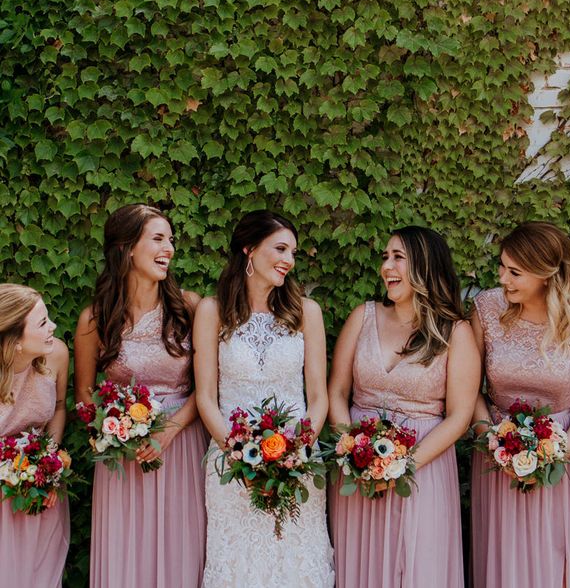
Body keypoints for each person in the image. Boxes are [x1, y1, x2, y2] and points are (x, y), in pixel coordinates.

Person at [328, 225, 481, 588]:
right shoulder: (361, 317)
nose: (386, 267)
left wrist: (401, 465)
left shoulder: (455, 333)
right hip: (358, 469)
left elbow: (459, 415)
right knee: (359, 566)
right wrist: (353, 449)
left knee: (417, 568)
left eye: (398, 257)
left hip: (422, 471)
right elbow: (337, 392)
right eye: (385, 257)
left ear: (424, 266)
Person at [471, 222, 570, 588]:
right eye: (502, 266)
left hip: (564, 453)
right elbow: (468, 389)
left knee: (558, 558)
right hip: (496, 454)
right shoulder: (486, 308)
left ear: (547, 274)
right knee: (502, 561)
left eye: (515, 272)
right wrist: (492, 439)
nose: (503, 278)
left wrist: (556, 452)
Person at [194, 210, 334, 588]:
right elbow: (206, 397)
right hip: (230, 466)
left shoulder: (307, 312)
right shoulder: (212, 311)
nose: (289, 260)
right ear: (249, 249)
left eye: (293, 252)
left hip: (297, 464)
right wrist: (238, 454)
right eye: (280, 248)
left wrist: (295, 452)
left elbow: (318, 397)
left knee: (296, 564)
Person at [74, 204, 207, 588]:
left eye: (171, 240)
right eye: (158, 239)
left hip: (180, 448)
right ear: (127, 248)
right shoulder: (95, 319)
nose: (170, 248)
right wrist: (114, 434)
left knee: (181, 551)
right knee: (125, 555)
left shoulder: (189, 307)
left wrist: (170, 430)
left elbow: (208, 388)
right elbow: (84, 392)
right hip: (121, 460)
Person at [0, 284, 69, 587]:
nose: (53, 326)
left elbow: (57, 408)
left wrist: (49, 466)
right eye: (42, 323)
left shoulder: (56, 356)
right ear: (15, 342)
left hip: (42, 493)